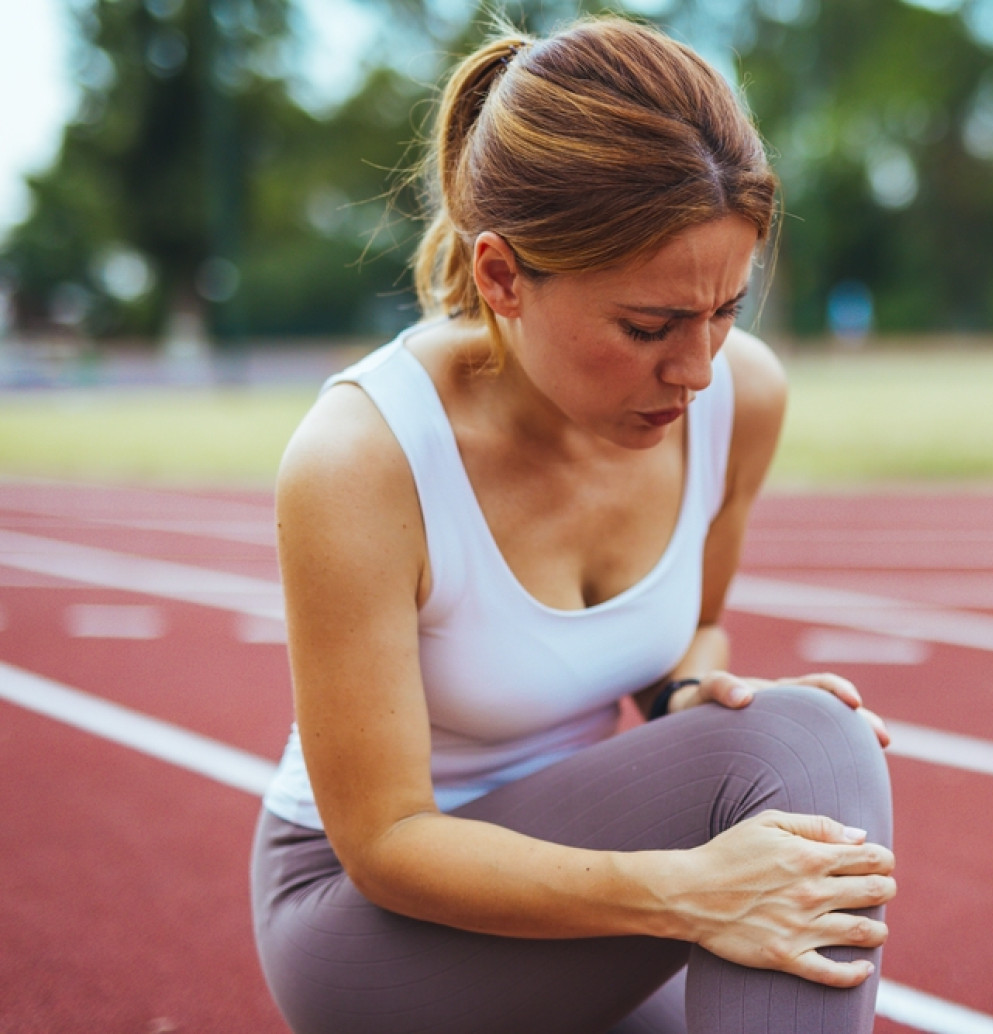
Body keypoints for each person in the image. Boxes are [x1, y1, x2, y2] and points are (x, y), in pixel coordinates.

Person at [249, 16, 896, 1034]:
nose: (693, 369)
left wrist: (692, 687)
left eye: (724, 310)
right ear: (502, 276)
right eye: (647, 328)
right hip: (372, 918)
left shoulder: (739, 399)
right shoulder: (363, 459)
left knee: (802, 748)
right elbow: (385, 841)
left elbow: (691, 635)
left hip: (588, 873)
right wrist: (690, 889)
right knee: (805, 752)